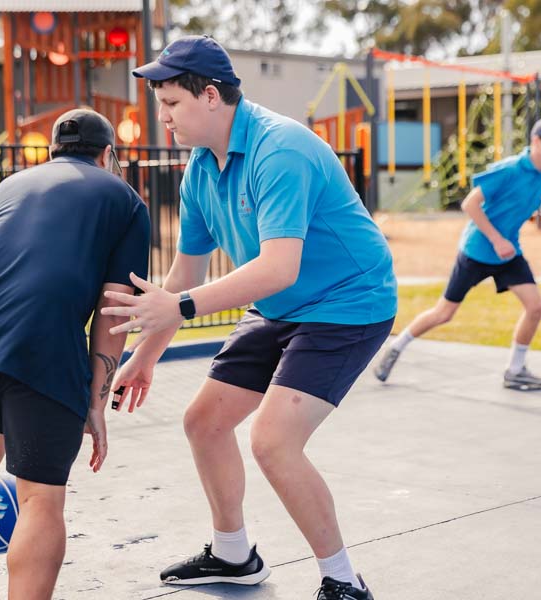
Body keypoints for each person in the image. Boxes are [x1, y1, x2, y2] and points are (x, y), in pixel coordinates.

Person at [101, 36, 396, 600]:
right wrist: (144, 356)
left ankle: (343, 582)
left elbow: (279, 267)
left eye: (171, 103)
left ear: (211, 96)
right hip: (281, 307)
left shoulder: (279, 149)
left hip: (348, 303)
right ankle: (234, 555)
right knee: (203, 422)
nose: (163, 117)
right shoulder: (200, 170)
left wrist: (178, 307)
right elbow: (183, 277)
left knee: (273, 441)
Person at [0, 109, 151, 600]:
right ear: (108, 154)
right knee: (40, 493)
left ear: (53, 151)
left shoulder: (10, 185)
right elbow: (114, 307)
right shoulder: (124, 199)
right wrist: (95, 402)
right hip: (39, 331)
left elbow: (4, 269)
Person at [373, 117, 541, 388]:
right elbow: (470, 204)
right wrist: (496, 240)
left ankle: (515, 370)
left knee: (536, 306)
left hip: (508, 254)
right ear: (536, 141)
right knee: (444, 313)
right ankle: (396, 347)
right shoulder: (509, 170)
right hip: (477, 250)